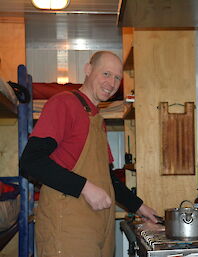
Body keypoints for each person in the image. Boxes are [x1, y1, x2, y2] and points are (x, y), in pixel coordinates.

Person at [20, 51, 157, 257]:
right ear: (88, 69)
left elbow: (107, 177)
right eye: (106, 74)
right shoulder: (63, 103)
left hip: (98, 225)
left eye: (117, 78)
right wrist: (85, 187)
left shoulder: (97, 119)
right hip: (68, 226)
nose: (111, 83)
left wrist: (140, 207)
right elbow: (31, 161)